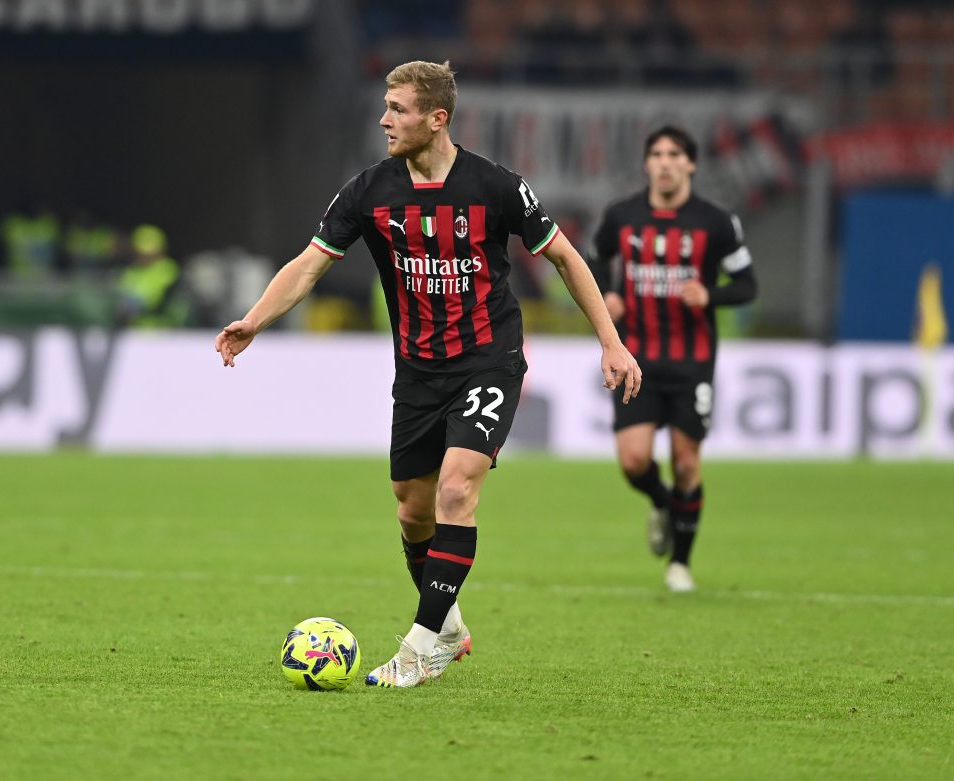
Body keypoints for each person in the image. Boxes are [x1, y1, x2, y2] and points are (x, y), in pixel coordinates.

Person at [215, 60, 641, 689]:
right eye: (385, 106)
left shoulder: (496, 186)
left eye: (399, 109)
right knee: (413, 512)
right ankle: (451, 629)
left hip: (489, 358)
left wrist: (611, 341)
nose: (384, 119)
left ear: (437, 118)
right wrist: (253, 321)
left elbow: (564, 257)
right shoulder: (369, 191)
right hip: (417, 372)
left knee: (456, 490)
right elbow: (309, 264)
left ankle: (420, 643)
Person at [588, 125, 757, 593]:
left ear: (691, 164)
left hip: (692, 362)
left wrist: (711, 294)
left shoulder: (715, 222)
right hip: (636, 358)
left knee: (686, 463)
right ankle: (662, 504)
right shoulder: (621, 216)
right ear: (647, 164)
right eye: (657, 154)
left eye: (674, 154)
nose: (665, 161)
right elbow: (593, 260)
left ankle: (679, 564)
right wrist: (608, 295)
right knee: (633, 460)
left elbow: (747, 285)